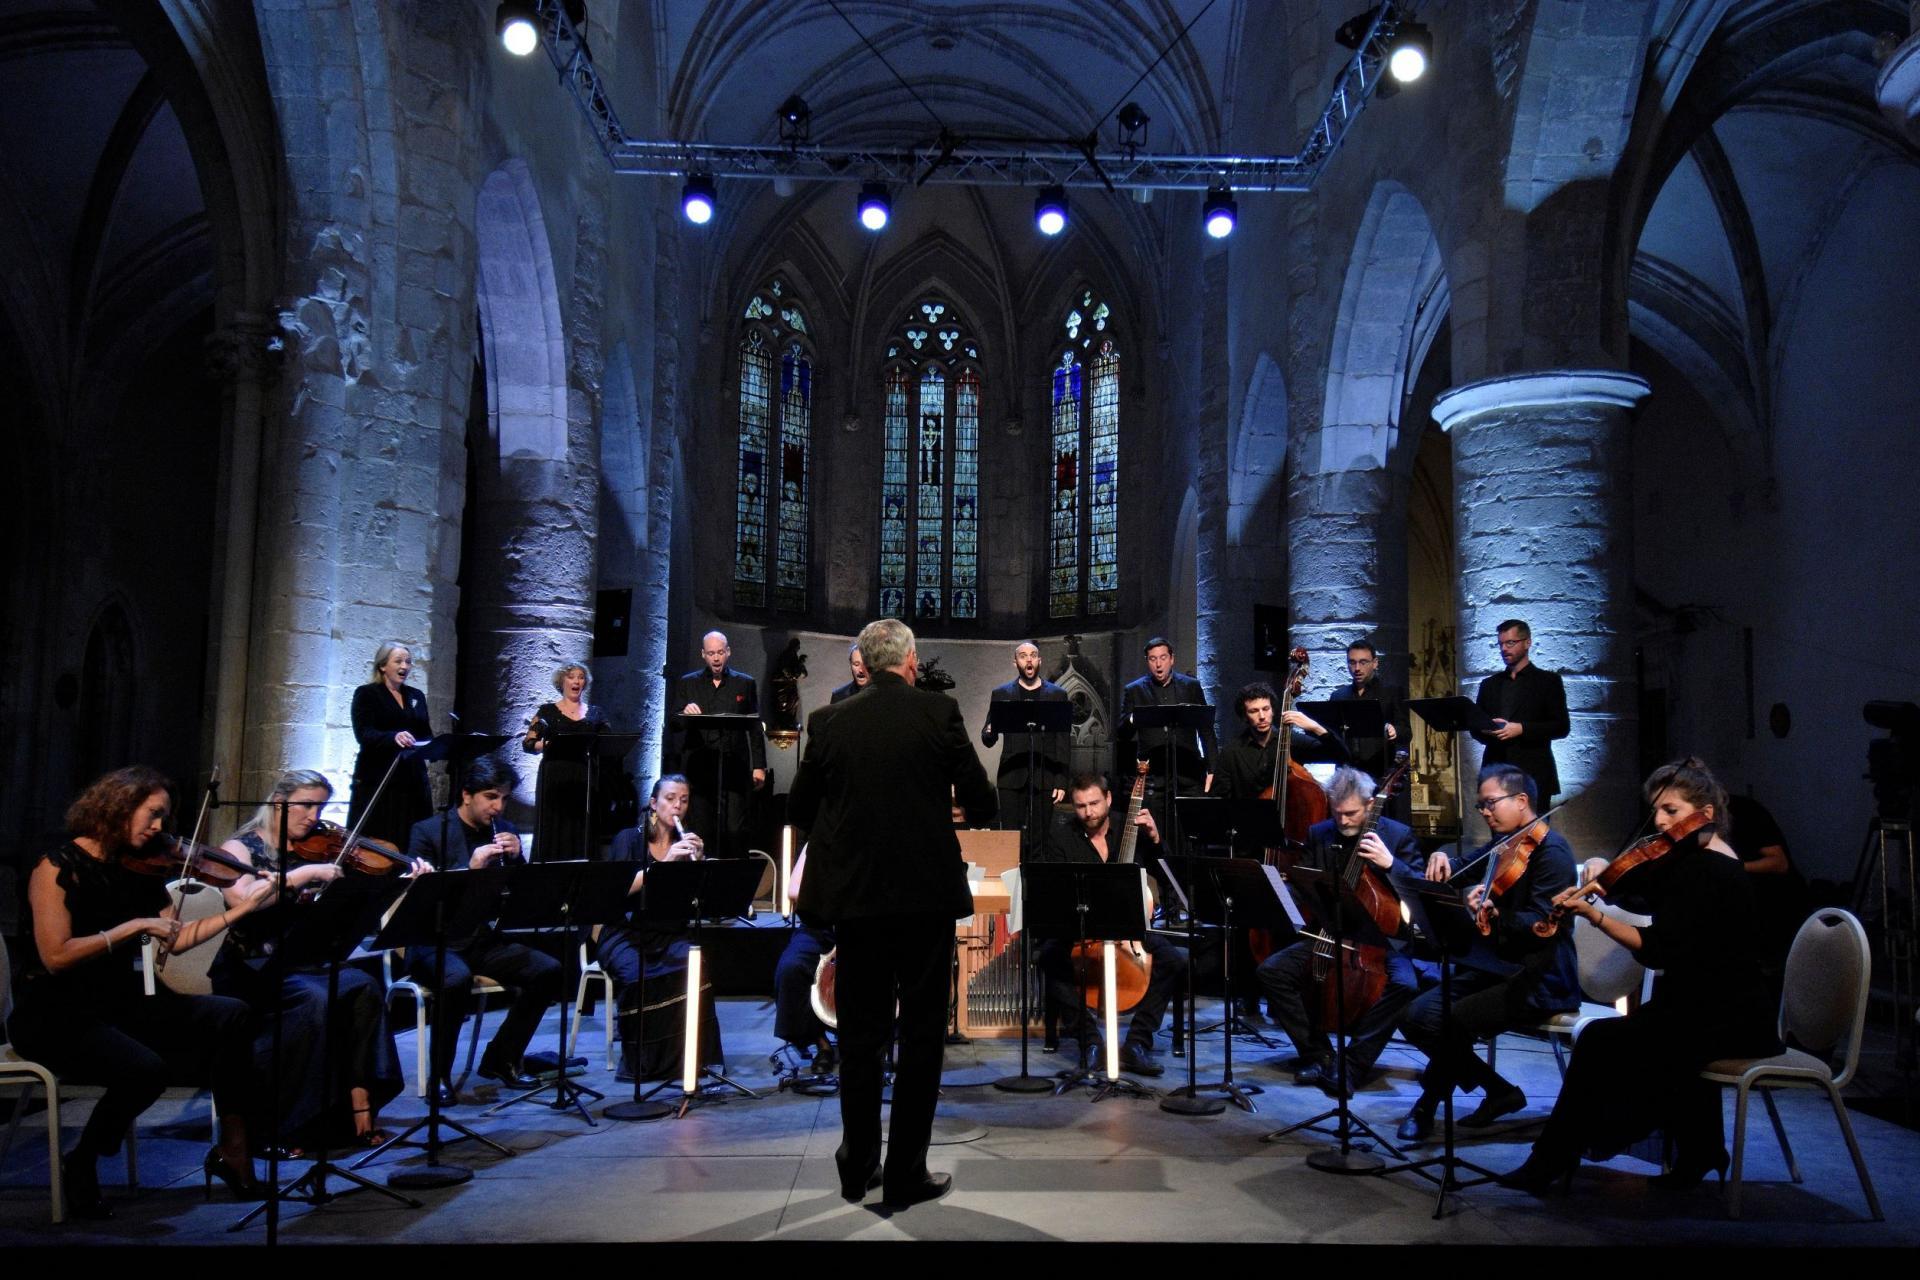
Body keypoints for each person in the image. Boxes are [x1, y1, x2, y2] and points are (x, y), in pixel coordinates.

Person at [788, 617, 996, 1209]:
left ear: (867, 663)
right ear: (909, 661)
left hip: (856, 903)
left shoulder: (828, 721)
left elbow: (800, 805)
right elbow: (982, 800)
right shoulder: (938, 713)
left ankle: (857, 1163)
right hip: (925, 901)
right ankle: (906, 1172)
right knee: (923, 1037)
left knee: (860, 1036)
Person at [1500, 758, 1781, 1192]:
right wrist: (1598, 867)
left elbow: (1655, 950)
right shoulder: (1693, 858)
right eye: (1657, 811)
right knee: (1633, 1037)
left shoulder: (1712, 872)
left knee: (1601, 1041)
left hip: (1731, 1017)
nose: (1661, 822)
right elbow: (1638, 885)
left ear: (1705, 813)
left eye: (1672, 810)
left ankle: (1551, 1159)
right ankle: (1699, 1149)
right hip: (1700, 1006)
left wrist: (1593, 915)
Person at [8, 767, 270, 1216]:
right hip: (53, 1011)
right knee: (146, 1069)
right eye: (152, 815)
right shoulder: (56, 865)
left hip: (116, 1000)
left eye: (163, 819)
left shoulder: (139, 868)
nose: (159, 829)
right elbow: (55, 956)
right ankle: (82, 1162)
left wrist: (243, 908)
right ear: (117, 806)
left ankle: (235, 1148)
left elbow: (177, 936)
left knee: (233, 1013)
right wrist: (133, 925)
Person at [214, 768, 408, 1151]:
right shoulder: (241, 848)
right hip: (251, 967)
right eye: (306, 805)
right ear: (278, 802)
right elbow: (241, 898)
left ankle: (358, 1103)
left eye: (319, 807)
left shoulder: (318, 845)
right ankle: (290, 1123)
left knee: (364, 986)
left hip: (301, 961)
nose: (314, 817)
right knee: (314, 1000)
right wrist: (302, 875)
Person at [1395, 763, 1580, 1142]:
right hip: (1496, 967)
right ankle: (1500, 1091)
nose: (1485, 812)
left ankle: (1427, 1106)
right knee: (1414, 1016)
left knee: (1455, 1018)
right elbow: (1466, 867)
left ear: (1522, 800)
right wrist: (1444, 862)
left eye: (1490, 803)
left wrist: (1499, 915)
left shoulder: (1553, 854)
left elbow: (1544, 924)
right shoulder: (1505, 843)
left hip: (1539, 976)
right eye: (1481, 806)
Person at [404, 755, 562, 1105]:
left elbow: (520, 893)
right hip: (433, 940)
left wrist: (519, 858)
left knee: (548, 971)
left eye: (503, 798)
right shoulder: (429, 832)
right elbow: (415, 898)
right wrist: (469, 867)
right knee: (455, 980)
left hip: (478, 938)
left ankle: (502, 1057)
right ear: (466, 795)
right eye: (491, 796)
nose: (498, 806)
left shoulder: (501, 829)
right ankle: (440, 1076)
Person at [1256, 767, 1424, 1096]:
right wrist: (1286, 889)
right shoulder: (1322, 833)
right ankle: (1318, 1054)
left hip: (1384, 942)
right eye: (1338, 813)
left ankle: (1354, 1063)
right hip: (1329, 934)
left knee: (1406, 984)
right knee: (1272, 971)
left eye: (1351, 813)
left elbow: (1418, 892)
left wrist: (1391, 864)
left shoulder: (1397, 836)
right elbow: (1304, 882)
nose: (1343, 821)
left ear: (1371, 804)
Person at [1030, 773, 1189, 1076]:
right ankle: (1089, 1041)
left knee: (1172, 960)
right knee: (1049, 956)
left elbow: (1169, 872)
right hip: (1082, 926)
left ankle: (1138, 1044)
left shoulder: (1133, 827)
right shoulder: (1062, 837)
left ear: (1109, 799)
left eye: (1094, 803)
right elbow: (1056, 888)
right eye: (1080, 806)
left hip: (1130, 929)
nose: (1088, 812)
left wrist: (1156, 839)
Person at [601, 775, 724, 1081]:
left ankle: (689, 1058)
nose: (677, 806)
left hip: (666, 931)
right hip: (624, 932)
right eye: (670, 799)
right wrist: (663, 866)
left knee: (695, 965)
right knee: (635, 974)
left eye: (683, 800)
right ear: (654, 804)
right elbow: (616, 890)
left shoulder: (686, 844)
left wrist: (700, 865)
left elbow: (697, 902)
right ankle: (643, 1064)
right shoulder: (629, 838)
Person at [666, 630, 767, 857]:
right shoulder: (688, 683)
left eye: (720, 652)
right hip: (701, 766)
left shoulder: (744, 683)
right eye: (711, 653)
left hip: (734, 764)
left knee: (734, 828)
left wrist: (759, 765)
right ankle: (703, 882)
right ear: (703, 654)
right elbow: (673, 724)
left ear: (728, 652)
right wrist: (684, 713)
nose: (716, 658)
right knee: (702, 827)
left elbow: (754, 726)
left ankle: (734, 882)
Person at [1115, 636, 1216, 839]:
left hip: (1188, 772)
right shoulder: (1134, 690)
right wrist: (1134, 717)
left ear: (1172, 659)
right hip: (1154, 777)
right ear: (1147, 661)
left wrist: (1212, 768)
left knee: (1191, 831)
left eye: (1162, 657)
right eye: (1153, 659)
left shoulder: (1191, 686)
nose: (1158, 664)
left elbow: (1205, 729)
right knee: (1157, 832)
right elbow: (1122, 734)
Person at [1471, 619, 1570, 808]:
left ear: (1527, 643)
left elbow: (1561, 726)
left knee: (1532, 836)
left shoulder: (1548, 682)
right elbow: (1476, 728)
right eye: (1500, 644)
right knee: (1500, 837)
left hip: (1533, 773)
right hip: (1496, 773)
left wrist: (1521, 729)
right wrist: (1488, 730)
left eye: (1510, 643)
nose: (1504, 649)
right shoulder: (1489, 684)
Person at [521, 661, 612, 861]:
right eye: (571, 677)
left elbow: (608, 743)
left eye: (580, 677)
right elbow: (528, 744)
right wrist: (548, 744)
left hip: (583, 775)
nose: (576, 681)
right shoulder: (546, 711)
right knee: (555, 825)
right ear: (562, 682)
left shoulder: (596, 713)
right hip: (554, 776)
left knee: (582, 826)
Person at [348, 641, 434, 847]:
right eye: (398, 661)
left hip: (412, 777)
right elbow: (364, 733)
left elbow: (425, 732)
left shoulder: (416, 696)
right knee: (381, 836)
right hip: (380, 777)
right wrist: (392, 737)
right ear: (382, 666)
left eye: (408, 662)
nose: (405, 666)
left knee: (412, 835)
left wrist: (433, 745)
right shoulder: (367, 693)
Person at [981, 640, 1071, 832]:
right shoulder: (1001, 693)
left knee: (1041, 836)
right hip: (1011, 776)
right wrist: (989, 731)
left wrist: (1061, 780)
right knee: (1011, 838)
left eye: (1032, 655)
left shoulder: (1057, 695)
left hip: (1045, 776)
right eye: (1023, 656)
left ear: (1039, 660)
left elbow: (1063, 740)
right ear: (1015, 663)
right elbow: (989, 738)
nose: (1028, 660)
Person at [1210, 680, 1349, 801]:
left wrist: (1316, 727)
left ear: (1273, 711)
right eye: (1254, 711)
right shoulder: (1232, 752)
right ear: (1244, 716)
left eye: (1266, 709)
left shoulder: (1292, 741)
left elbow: (1341, 755)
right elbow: (1220, 798)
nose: (1262, 716)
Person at [772, 840, 835, 1075]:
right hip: (818, 927)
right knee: (791, 968)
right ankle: (821, 1044)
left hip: (858, 927)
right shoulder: (816, 842)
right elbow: (793, 889)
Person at [1329, 640, 1409, 817]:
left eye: (1363, 662)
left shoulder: (1391, 692)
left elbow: (1406, 731)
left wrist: (1395, 730)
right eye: (1352, 662)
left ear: (1375, 663)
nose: (1357, 668)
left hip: (1379, 774)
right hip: (1347, 774)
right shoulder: (1338, 696)